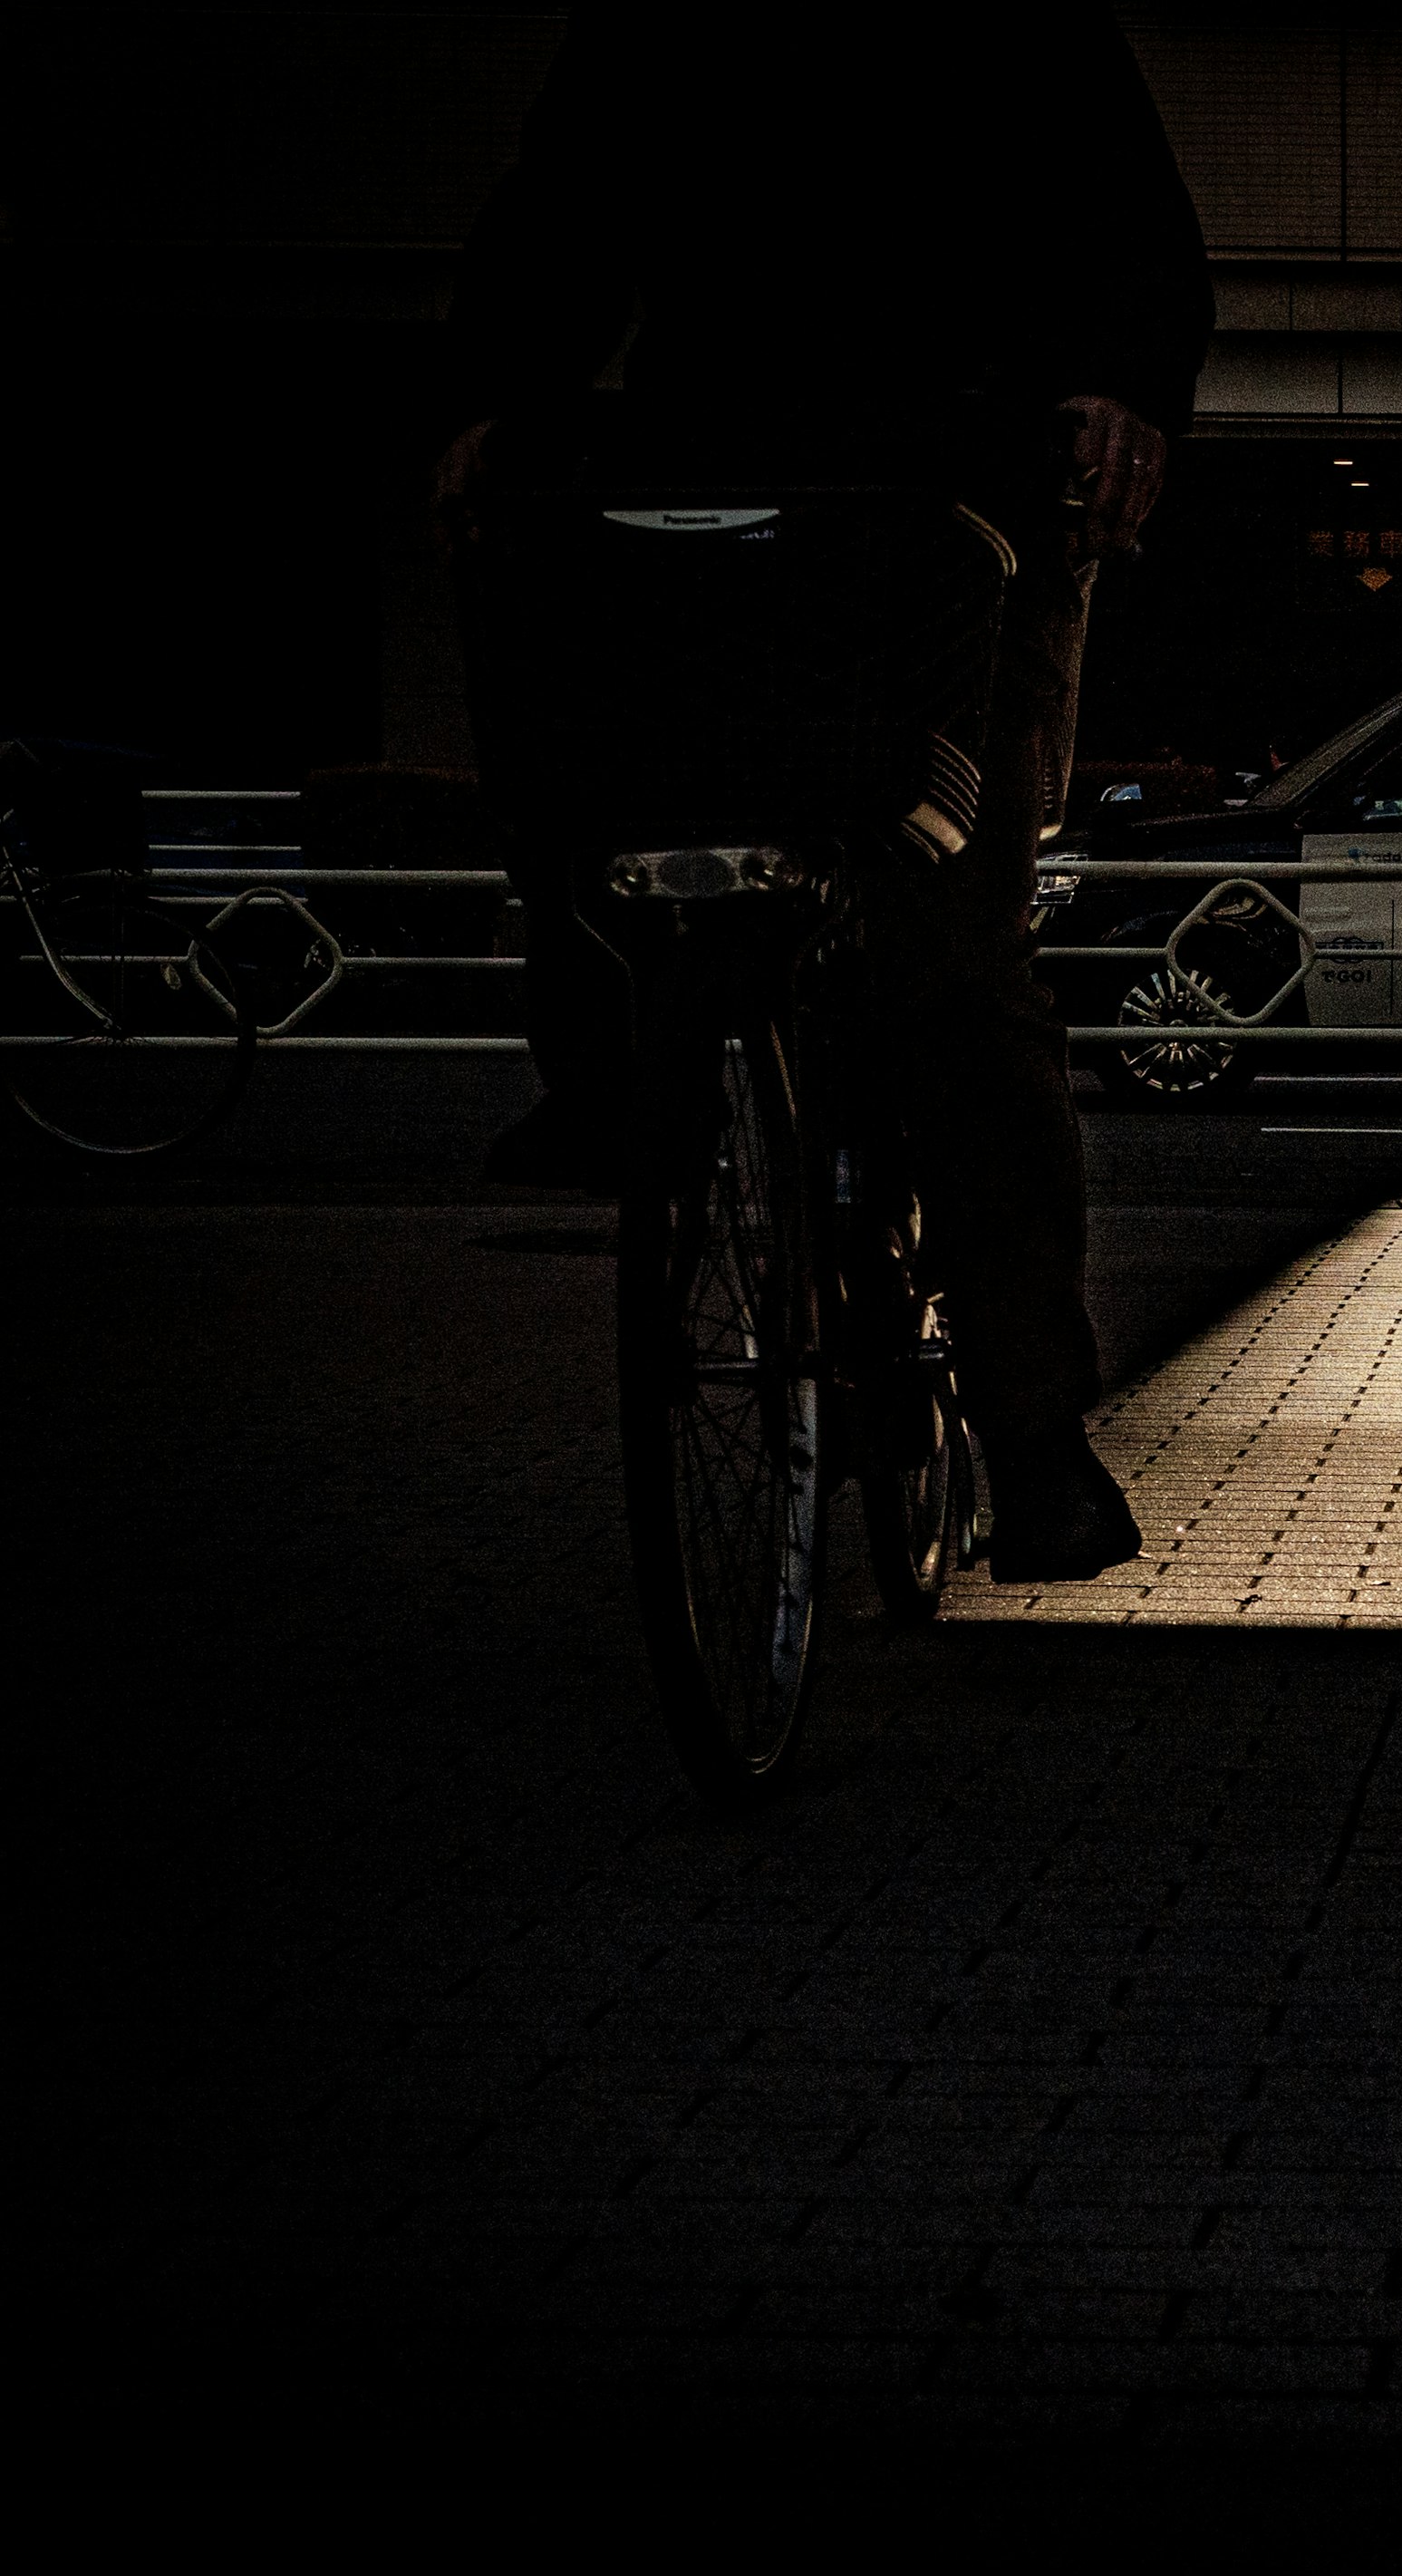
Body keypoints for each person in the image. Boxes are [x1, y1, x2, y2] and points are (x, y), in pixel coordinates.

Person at [435, 5, 1211, 1579]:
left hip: (949, 491)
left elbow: (1124, 217)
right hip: (773, 481)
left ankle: (1030, 1426)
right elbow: (563, 210)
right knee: (667, 836)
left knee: (956, 951)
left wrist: (1119, 381)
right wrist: (496, 400)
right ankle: (636, 1092)